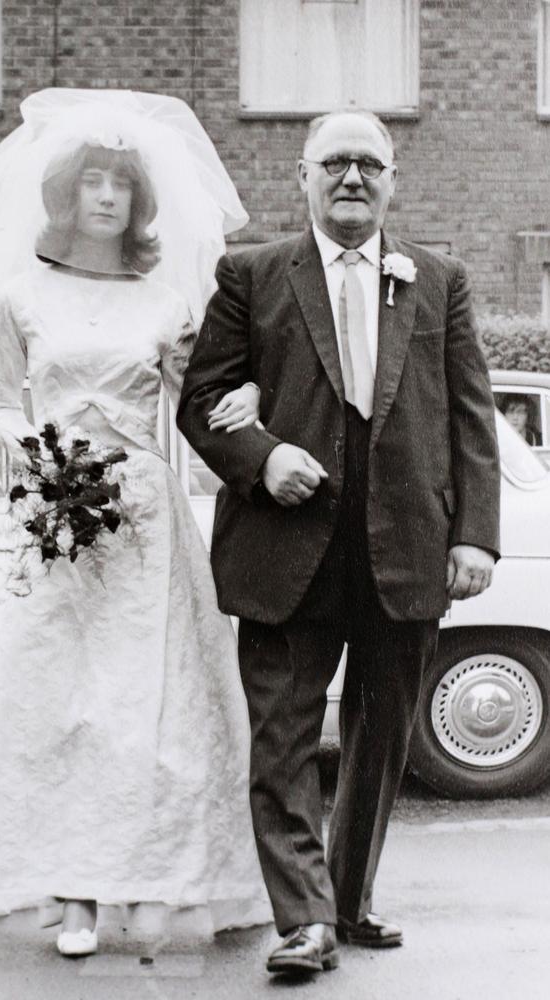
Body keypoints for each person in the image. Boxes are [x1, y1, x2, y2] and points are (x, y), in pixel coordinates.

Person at [0, 90, 270, 955]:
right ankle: (70, 896)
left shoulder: (166, 303)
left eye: (122, 185)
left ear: (142, 205)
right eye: (93, 181)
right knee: (50, 702)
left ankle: (145, 877)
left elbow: (199, 395)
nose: (107, 196)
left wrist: (248, 394)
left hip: (144, 520)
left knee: (141, 705)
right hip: (50, 518)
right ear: (68, 195)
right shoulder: (21, 295)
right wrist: (41, 458)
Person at [177, 108, 501, 977]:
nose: (351, 178)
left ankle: (349, 901)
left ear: (393, 177)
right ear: (302, 174)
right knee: (282, 735)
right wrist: (262, 454)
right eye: (335, 164)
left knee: (383, 732)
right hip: (287, 545)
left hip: (407, 544)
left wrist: (475, 537)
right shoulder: (251, 274)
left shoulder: (439, 278)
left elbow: (471, 415)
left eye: (369, 163)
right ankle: (304, 919)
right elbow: (202, 397)